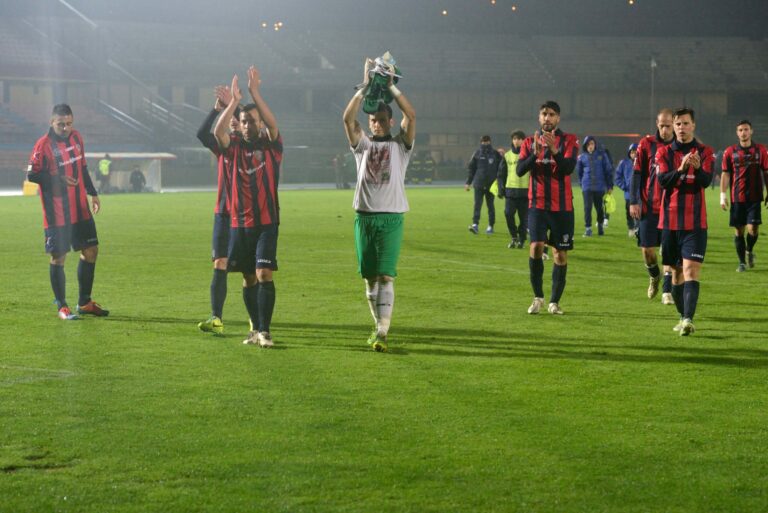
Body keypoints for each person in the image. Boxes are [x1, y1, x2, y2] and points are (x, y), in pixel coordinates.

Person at [342, 57, 416, 352]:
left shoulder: (401, 145)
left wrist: (389, 88)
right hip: (364, 217)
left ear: (390, 121)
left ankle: (383, 331)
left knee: (385, 274)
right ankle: (377, 326)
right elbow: (348, 119)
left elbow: (411, 115)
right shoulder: (363, 145)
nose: (377, 123)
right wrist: (365, 86)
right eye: (373, 119)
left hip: (391, 217)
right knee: (370, 278)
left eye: (383, 119)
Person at [214, 67, 282, 348]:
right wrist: (233, 102)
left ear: (259, 124)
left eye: (252, 121)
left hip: (267, 222)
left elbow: (273, 124)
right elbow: (218, 131)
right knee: (247, 278)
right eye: (244, 121)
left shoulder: (271, 145)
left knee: (263, 273)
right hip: (239, 224)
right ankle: (254, 331)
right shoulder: (233, 148)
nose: (247, 125)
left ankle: (265, 331)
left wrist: (255, 93)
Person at [26, 104, 109, 320]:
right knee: (59, 257)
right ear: (51, 122)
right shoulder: (43, 145)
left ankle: (85, 302)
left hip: (80, 208)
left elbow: (82, 167)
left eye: (69, 123)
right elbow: (32, 176)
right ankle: (62, 306)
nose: (65, 128)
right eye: (61, 124)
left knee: (91, 250)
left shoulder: (77, 138)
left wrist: (93, 193)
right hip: (57, 213)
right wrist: (58, 179)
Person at [516, 101, 579, 315]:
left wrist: (554, 151)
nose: (547, 118)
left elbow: (568, 168)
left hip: (562, 207)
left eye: (551, 114)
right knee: (535, 247)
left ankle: (554, 302)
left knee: (560, 254)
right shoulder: (528, 142)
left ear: (558, 118)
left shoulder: (569, 140)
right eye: (544, 114)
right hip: (537, 205)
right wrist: (534, 154)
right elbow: (519, 171)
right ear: (539, 117)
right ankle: (538, 298)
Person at [656, 107, 714, 336]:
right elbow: (662, 181)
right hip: (669, 223)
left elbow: (706, 181)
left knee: (690, 270)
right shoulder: (663, 153)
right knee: (677, 274)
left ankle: (689, 319)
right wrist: (680, 169)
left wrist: (698, 169)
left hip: (696, 224)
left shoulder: (705, 152)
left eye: (685, 124)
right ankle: (683, 316)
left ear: (693, 125)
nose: (681, 128)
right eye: (677, 124)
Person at [196, 85, 242, 334]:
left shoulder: (248, 145)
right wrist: (215, 111)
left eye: (237, 118)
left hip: (246, 215)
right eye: (231, 118)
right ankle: (217, 317)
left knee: (251, 271)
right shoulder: (223, 146)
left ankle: (257, 322)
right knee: (219, 262)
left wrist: (235, 102)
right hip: (224, 213)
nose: (233, 122)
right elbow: (202, 134)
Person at [630, 109, 676, 304]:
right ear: (657, 124)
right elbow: (637, 174)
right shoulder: (646, 144)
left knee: (668, 251)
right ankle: (654, 275)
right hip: (649, 207)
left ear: (674, 124)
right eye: (661, 125)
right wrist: (633, 201)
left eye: (668, 125)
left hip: (671, 208)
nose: (664, 129)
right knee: (648, 251)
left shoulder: (679, 146)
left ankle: (667, 291)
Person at [719, 120, 768, 272]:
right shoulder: (730, 152)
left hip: (754, 197)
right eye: (740, 130)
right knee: (739, 231)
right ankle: (741, 262)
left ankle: (749, 250)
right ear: (737, 132)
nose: (743, 132)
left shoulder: (760, 150)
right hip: (737, 198)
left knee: (753, 229)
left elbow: (766, 172)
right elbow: (726, 174)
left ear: (751, 131)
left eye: (746, 129)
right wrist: (722, 195)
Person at [576, 136, 613, 236]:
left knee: (599, 208)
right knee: (587, 208)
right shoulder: (581, 157)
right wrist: (582, 184)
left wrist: (610, 185)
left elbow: (608, 170)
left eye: (592, 144)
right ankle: (588, 229)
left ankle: (600, 225)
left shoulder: (602, 155)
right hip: (587, 187)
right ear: (585, 146)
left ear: (595, 145)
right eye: (588, 144)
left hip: (600, 187)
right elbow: (579, 173)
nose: (590, 146)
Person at [497, 130, 527, 248]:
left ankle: (522, 239)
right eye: (514, 139)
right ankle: (514, 237)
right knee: (508, 214)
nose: (516, 141)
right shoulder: (507, 155)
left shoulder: (528, 155)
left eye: (519, 139)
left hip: (525, 192)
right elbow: (501, 174)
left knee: (524, 219)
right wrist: (501, 189)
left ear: (524, 140)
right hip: (511, 192)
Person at [465, 135, 500, 235]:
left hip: (491, 185)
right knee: (477, 205)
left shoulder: (495, 154)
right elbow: (471, 169)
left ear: (490, 141)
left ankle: (490, 226)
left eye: (487, 141)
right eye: (483, 142)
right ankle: (475, 225)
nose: (485, 143)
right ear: (480, 142)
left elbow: (501, 169)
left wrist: (500, 182)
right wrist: (468, 182)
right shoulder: (477, 154)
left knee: (490, 206)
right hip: (479, 184)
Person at [615, 143, 639, 237]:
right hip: (628, 194)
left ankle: (638, 228)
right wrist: (624, 186)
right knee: (629, 212)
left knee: (639, 212)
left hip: (640, 194)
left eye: (636, 152)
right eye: (632, 152)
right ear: (629, 153)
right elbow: (617, 177)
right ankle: (631, 228)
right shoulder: (624, 163)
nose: (634, 154)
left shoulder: (643, 163)